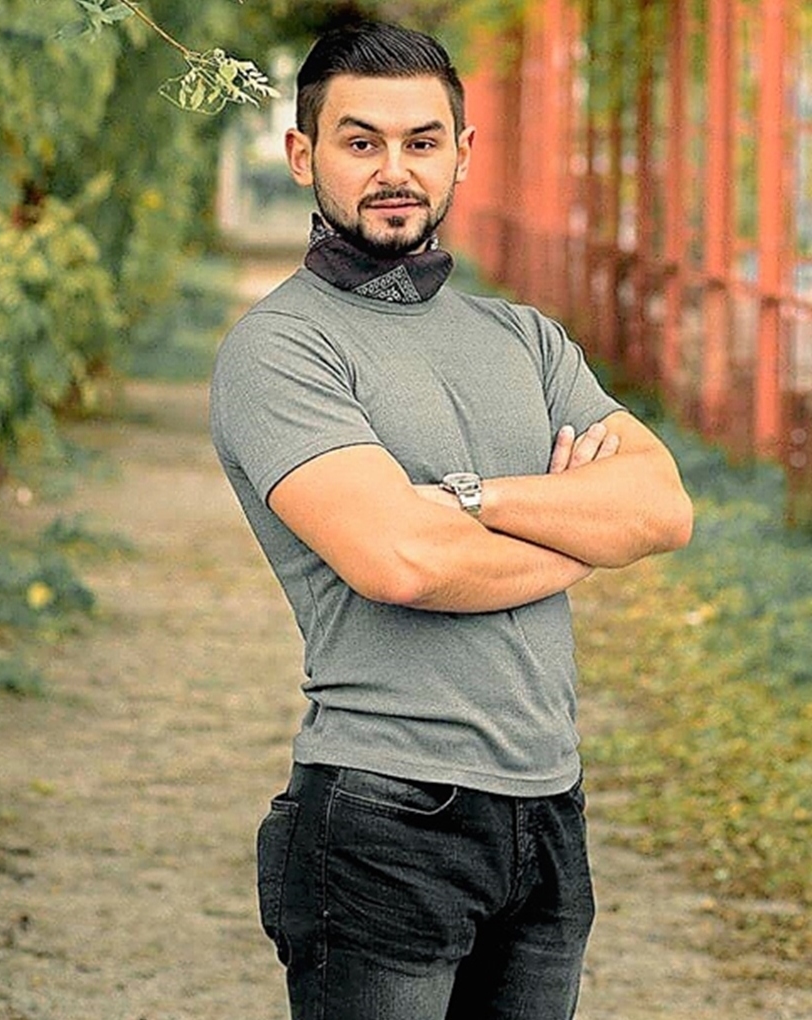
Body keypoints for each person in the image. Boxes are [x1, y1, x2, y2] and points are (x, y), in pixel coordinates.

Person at [210, 20, 693, 1020]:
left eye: (422, 141)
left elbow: (660, 507)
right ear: (302, 154)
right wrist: (581, 533)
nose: (395, 170)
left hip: (549, 805)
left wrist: (475, 499)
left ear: (462, 153)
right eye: (361, 141)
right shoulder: (281, 347)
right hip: (383, 808)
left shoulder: (525, 337)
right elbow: (403, 561)